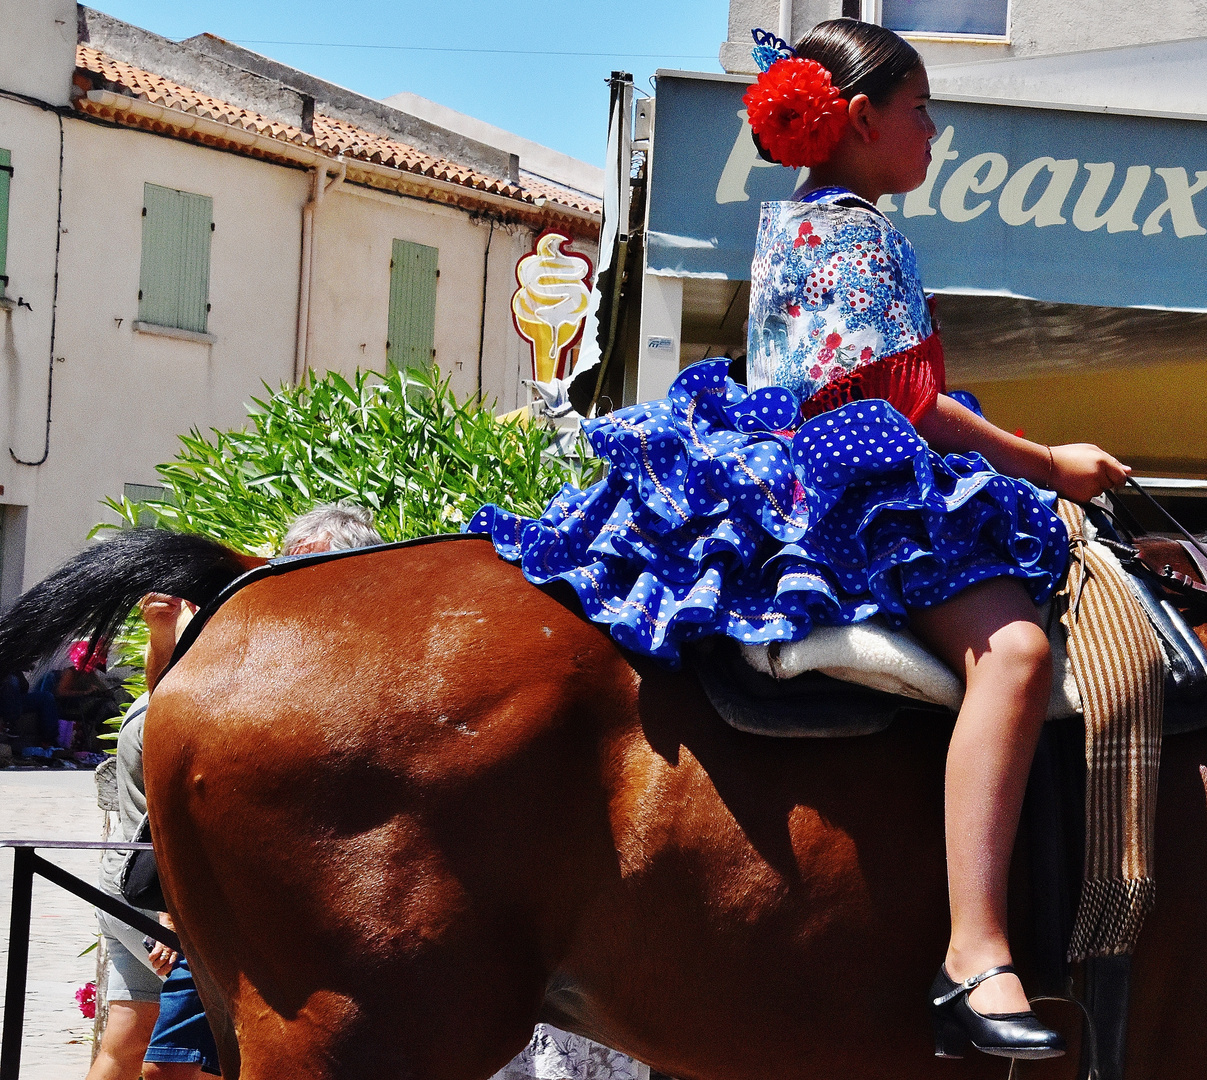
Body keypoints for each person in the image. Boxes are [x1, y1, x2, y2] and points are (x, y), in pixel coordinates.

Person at [469, 20, 1128, 1062]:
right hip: (850, 479)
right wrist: (1050, 464)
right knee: (1015, 652)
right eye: (920, 111)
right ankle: (975, 950)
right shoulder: (865, 234)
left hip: (795, 464)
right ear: (860, 121)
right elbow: (901, 398)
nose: (936, 132)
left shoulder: (792, 223)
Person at [89, 504, 385, 1080]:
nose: (295, 584)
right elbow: (172, 709)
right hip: (223, 904)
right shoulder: (257, 633)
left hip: (309, 916)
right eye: (290, 566)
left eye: (316, 568)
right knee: (162, 1068)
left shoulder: (371, 654)